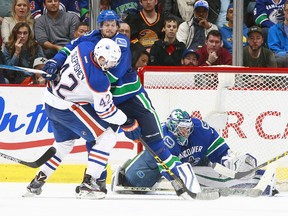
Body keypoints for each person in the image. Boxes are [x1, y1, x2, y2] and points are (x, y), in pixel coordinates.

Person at [40, 10, 214, 200]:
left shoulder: (120, 43)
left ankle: (178, 176)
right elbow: (70, 48)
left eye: (112, 24)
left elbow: (116, 73)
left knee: (155, 143)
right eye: (105, 24)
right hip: (107, 101)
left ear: (117, 26)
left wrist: (89, 78)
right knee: (98, 138)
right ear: (100, 26)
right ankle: (97, 180)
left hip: (131, 98)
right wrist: (55, 63)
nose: (109, 28)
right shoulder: (91, 38)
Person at [23, 38, 141, 199]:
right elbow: (105, 112)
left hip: (51, 100)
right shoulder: (99, 80)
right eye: (108, 62)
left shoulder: (85, 47)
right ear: (100, 56)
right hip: (66, 107)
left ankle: (36, 183)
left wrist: (53, 63)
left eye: (113, 62)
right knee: (107, 137)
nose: (110, 66)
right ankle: (88, 184)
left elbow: (68, 48)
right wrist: (126, 121)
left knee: (63, 145)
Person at [111, 108, 278, 196]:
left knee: (219, 177)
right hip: (163, 164)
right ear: (173, 127)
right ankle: (125, 173)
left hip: (196, 162)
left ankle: (260, 178)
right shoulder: (164, 136)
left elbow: (220, 151)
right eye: (182, 129)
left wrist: (230, 163)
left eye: (188, 128)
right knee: (131, 183)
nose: (186, 132)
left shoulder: (200, 129)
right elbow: (170, 171)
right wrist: (180, 182)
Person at [267, 0, 288, 68]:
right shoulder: (274, 29)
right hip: (283, 60)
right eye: (287, 10)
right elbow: (274, 48)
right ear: (284, 11)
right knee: (279, 58)